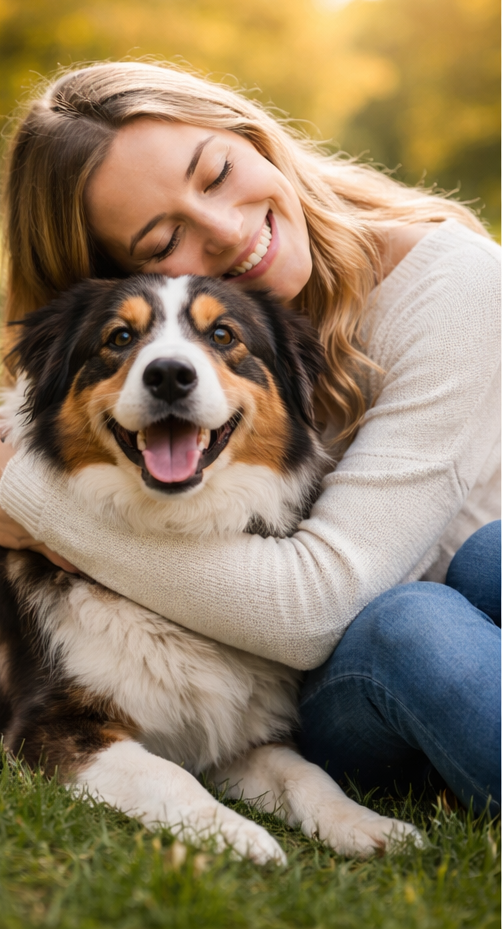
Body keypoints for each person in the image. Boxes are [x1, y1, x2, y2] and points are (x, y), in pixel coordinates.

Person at [0, 62, 499, 816]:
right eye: (164, 240)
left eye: (217, 173)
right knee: (411, 624)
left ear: (250, 137)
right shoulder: (146, 369)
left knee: (491, 555)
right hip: (348, 673)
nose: (230, 231)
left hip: (342, 619)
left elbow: (309, 611)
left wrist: (30, 499)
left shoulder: (456, 287)